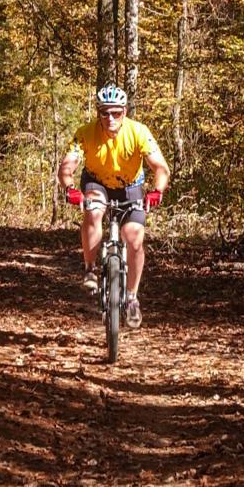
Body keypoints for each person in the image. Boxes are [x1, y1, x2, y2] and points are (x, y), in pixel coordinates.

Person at [55, 84, 171, 328]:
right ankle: (90, 268)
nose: (110, 118)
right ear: (98, 113)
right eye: (105, 112)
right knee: (94, 210)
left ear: (125, 112)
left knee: (134, 237)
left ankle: (131, 297)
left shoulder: (139, 132)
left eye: (116, 113)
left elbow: (160, 167)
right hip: (97, 181)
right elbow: (67, 165)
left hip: (130, 186)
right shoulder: (85, 133)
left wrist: (156, 192)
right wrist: (70, 188)